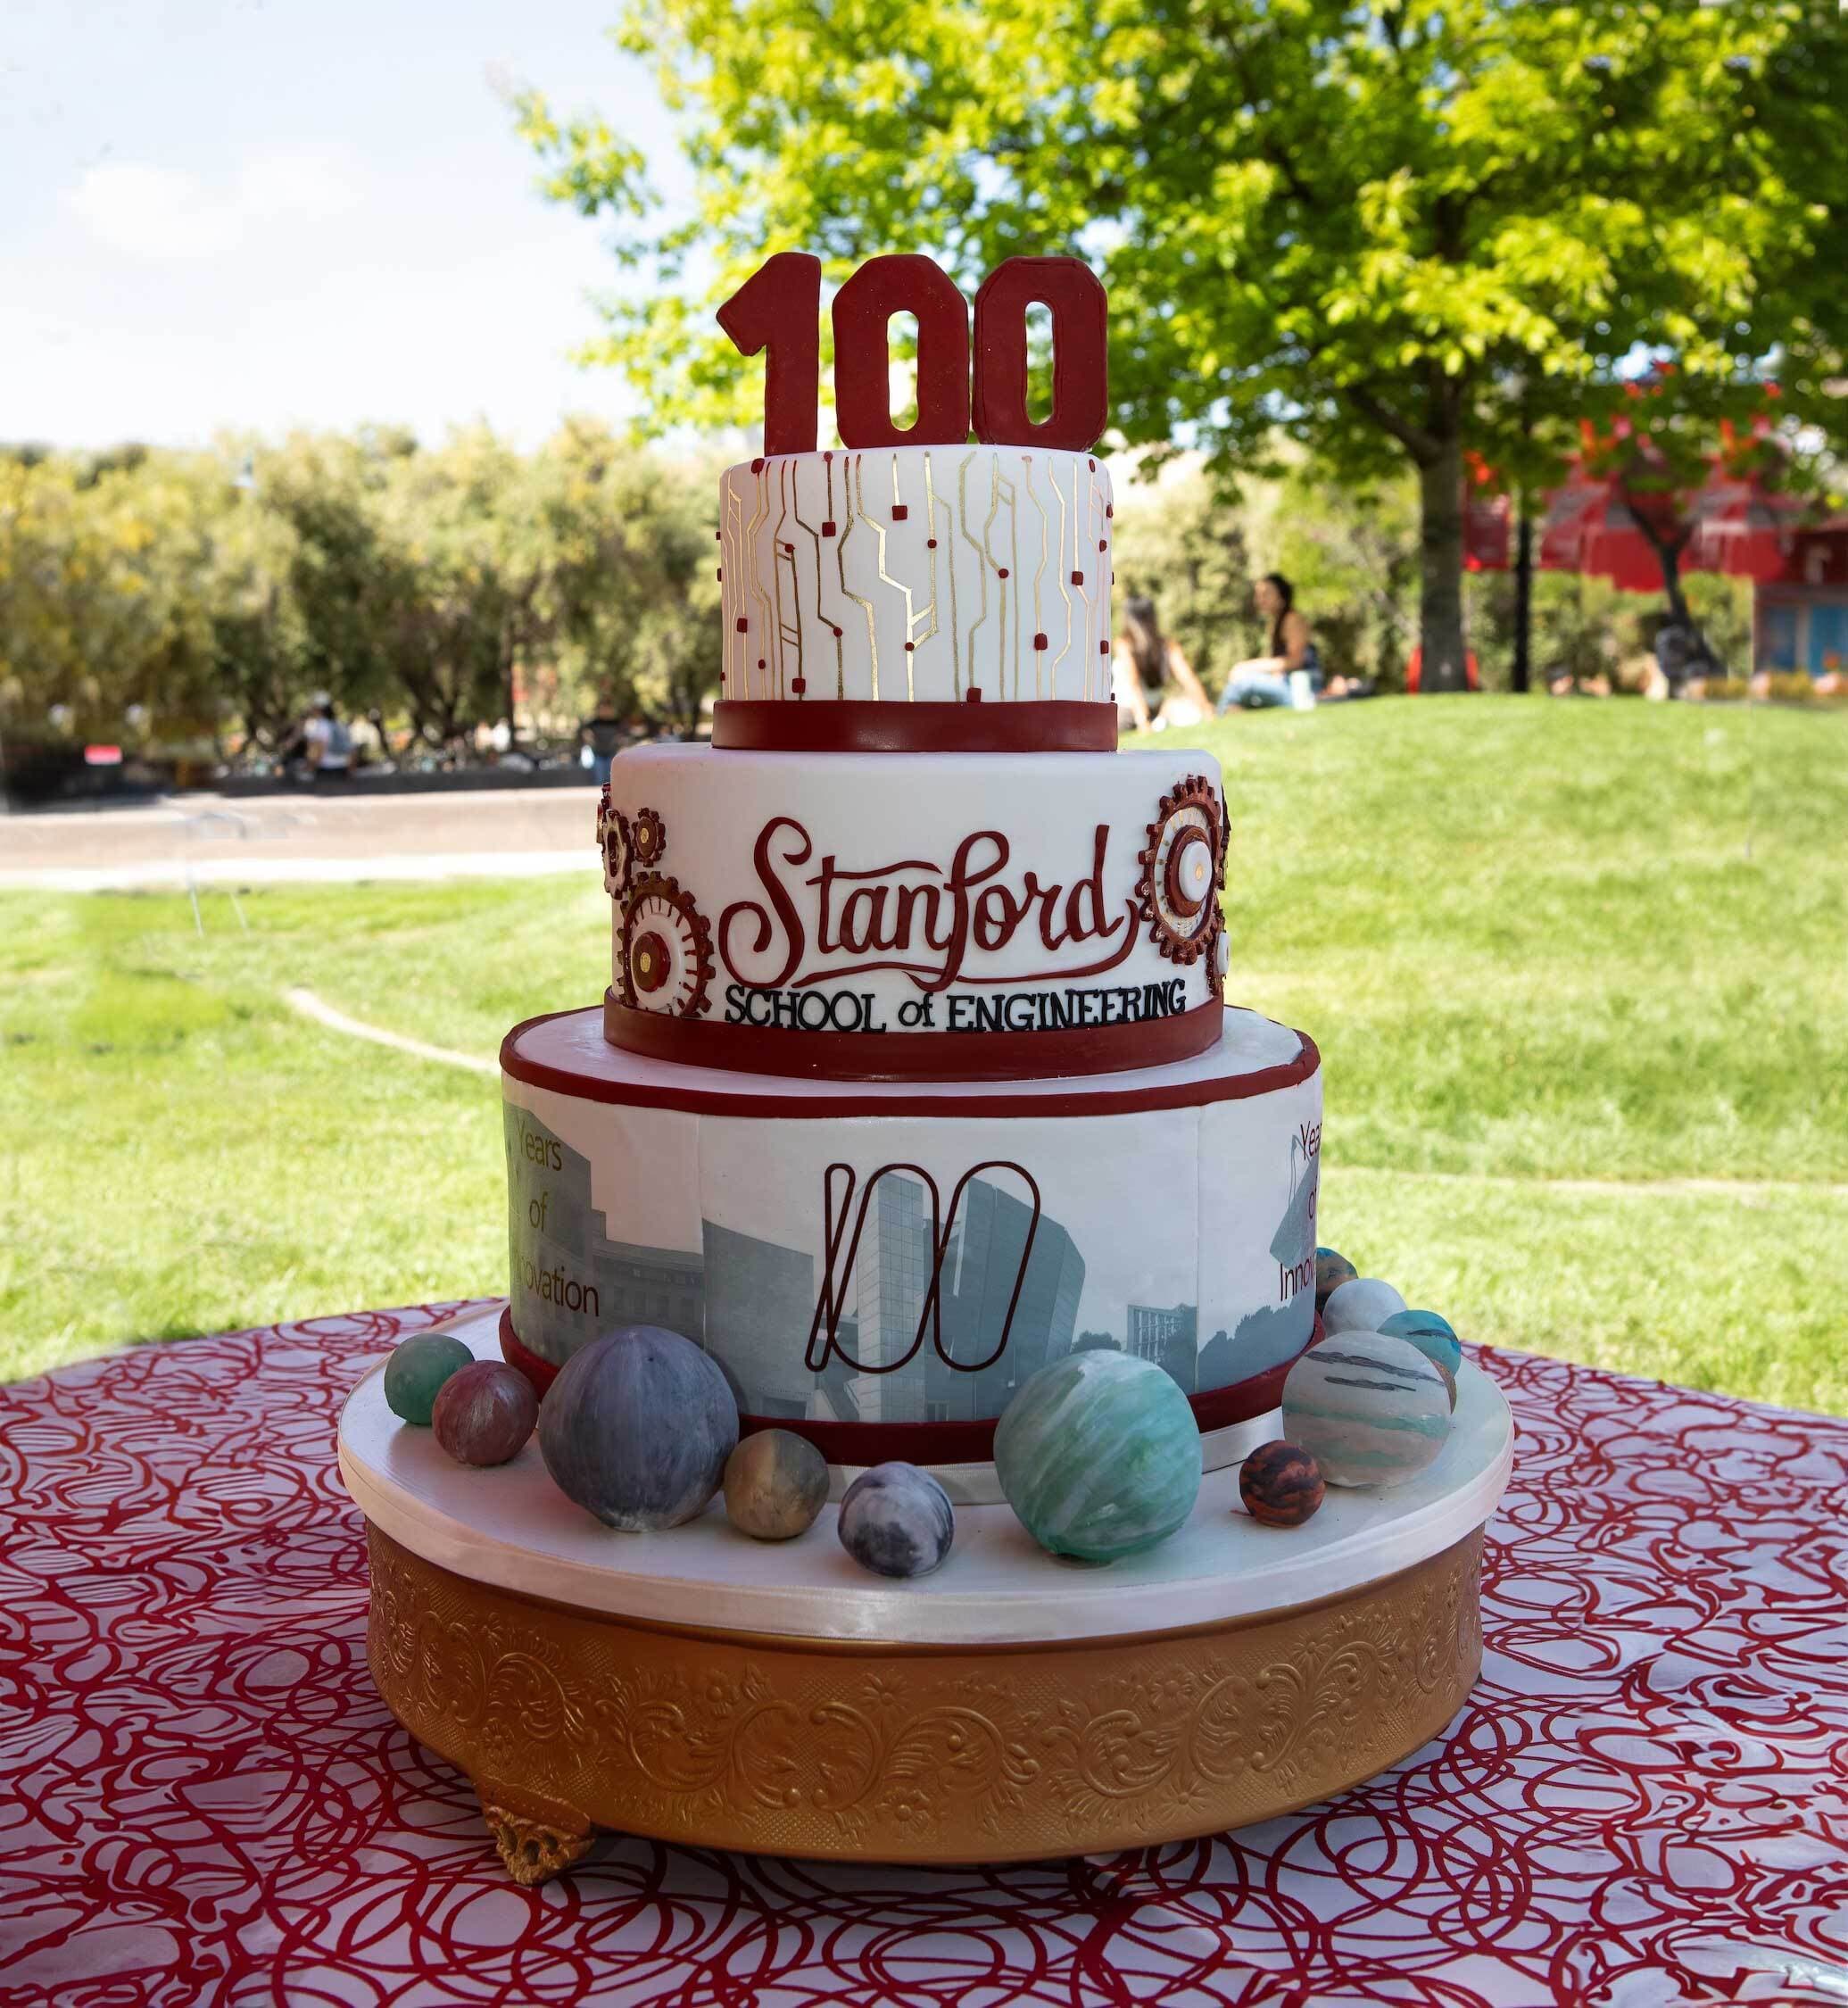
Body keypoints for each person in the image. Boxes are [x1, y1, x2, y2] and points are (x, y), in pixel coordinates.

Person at [1219, 574, 1323, 711]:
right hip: (1286, 685)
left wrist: (1247, 666)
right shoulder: (1275, 623)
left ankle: (1215, 718)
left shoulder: (1292, 620)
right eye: (1258, 595)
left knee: (1242, 684)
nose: (1260, 599)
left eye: (1266, 594)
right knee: (1241, 699)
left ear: (1281, 597)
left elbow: (1295, 661)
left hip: (1301, 690)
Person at [1111, 596, 1214, 731]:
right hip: (1138, 712)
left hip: (1142, 711)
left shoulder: (1125, 644)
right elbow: (1133, 685)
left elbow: (1186, 677)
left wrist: (1205, 707)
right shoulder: (1163, 646)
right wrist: (1144, 721)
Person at [302, 698, 352, 782]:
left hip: (327, 770)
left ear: (319, 709)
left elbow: (318, 750)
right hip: (342, 767)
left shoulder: (322, 725)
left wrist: (310, 769)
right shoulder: (338, 724)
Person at [581, 691, 625, 785]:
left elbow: (622, 735)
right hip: (598, 754)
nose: (605, 711)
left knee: (611, 778)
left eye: (607, 709)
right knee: (599, 778)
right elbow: (586, 732)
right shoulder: (594, 723)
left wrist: (619, 741)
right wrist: (589, 739)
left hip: (612, 754)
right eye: (602, 709)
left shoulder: (616, 722)